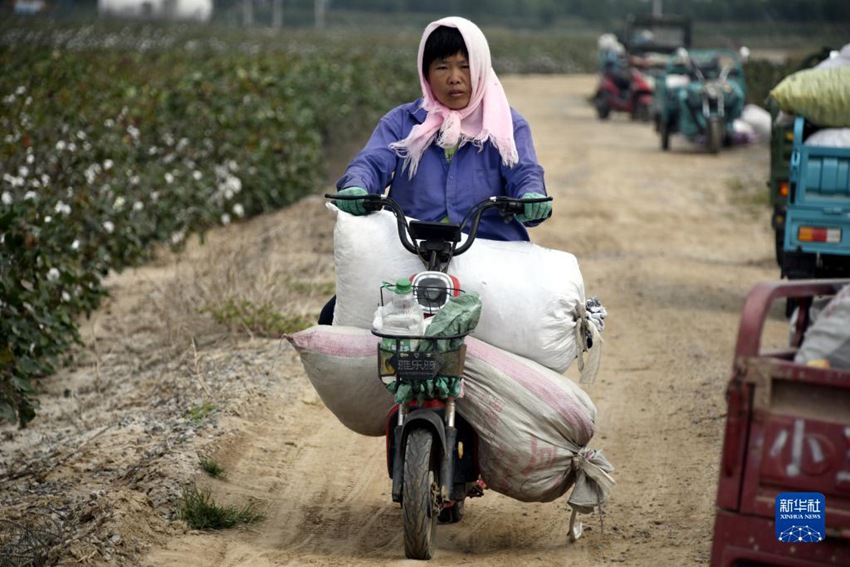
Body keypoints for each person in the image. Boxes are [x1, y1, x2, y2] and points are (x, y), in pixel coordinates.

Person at [320, 16, 552, 324]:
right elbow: (372, 162)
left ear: (481, 69)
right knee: (332, 316)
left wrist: (531, 196)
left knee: (531, 318)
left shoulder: (506, 126)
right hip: (410, 251)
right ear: (426, 74)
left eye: (465, 66)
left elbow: (524, 172)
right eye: (442, 67)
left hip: (488, 253)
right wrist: (358, 187)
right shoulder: (402, 122)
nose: (454, 78)